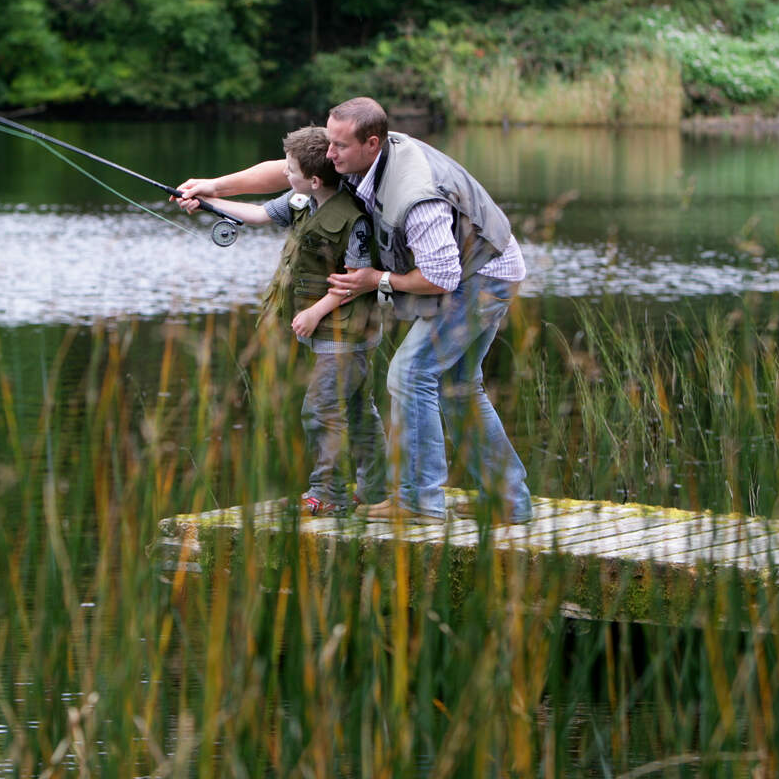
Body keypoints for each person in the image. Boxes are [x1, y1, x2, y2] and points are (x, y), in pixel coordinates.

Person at [178, 97, 531, 524]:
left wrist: (375, 280)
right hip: (476, 265)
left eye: (338, 147)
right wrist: (215, 187)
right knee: (457, 386)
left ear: (372, 142)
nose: (329, 156)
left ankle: (419, 503)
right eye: (329, 143)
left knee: (411, 373)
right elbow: (288, 171)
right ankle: (508, 500)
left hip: (483, 273)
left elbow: (442, 278)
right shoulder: (354, 159)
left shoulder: (414, 195)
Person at [175, 126, 388, 516]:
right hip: (330, 333)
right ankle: (374, 490)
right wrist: (208, 202)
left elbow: (355, 282)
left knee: (322, 410)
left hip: (346, 333)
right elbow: (256, 214)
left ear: (314, 179)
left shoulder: (354, 220)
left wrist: (313, 312)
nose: (284, 175)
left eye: (290, 170)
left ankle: (330, 494)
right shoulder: (299, 201)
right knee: (356, 409)